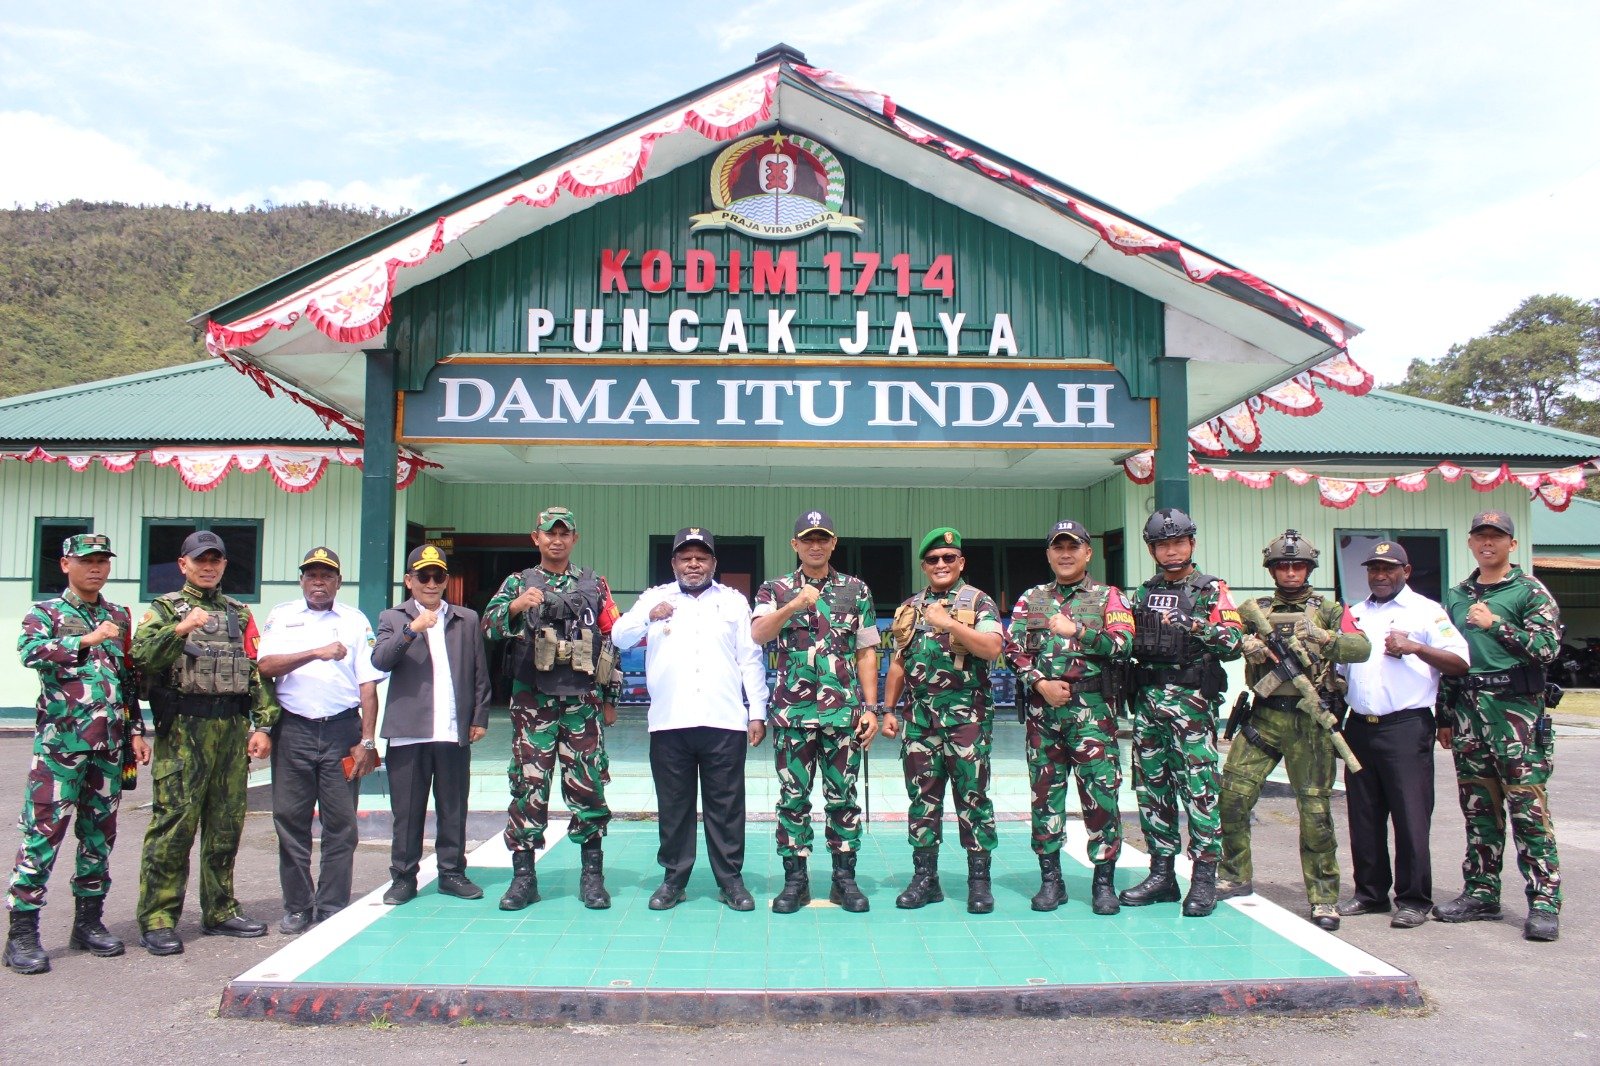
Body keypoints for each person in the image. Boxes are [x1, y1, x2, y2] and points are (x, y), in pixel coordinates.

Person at [4, 534, 150, 975]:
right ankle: (22, 933)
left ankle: (88, 923)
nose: (96, 568)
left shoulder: (118, 615)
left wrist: (136, 732)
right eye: (87, 561)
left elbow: (127, 678)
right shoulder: (45, 613)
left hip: (108, 747)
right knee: (42, 835)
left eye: (103, 560)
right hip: (60, 749)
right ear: (66, 564)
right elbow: (30, 652)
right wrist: (86, 639)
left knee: (99, 836)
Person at [133, 530, 280, 955]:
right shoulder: (164, 610)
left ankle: (220, 909)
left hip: (230, 733)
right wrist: (180, 629)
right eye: (201, 560)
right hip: (184, 732)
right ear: (184, 564)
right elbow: (141, 658)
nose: (208, 566)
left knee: (225, 825)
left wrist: (263, 725)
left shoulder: (239, 613)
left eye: (216, 560)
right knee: (174, 826)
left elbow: (255, 671)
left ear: (224, 565)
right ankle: (158, 918)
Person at [1218, 529, 1371, 931]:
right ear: (1271, 569)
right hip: (1264, 717)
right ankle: (1234, 874)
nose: (1290, 572)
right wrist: (1244, 644)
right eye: (1282, 565)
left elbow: (1362, 648)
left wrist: (1325, 638)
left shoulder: (1330, 609)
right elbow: (1222, 638)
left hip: (1310, 721)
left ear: (1309, 568)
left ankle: (1323, 897)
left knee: (1316, 814)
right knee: (1232, 798)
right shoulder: (1257, 609)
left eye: (1297, 565)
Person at [611, 527, 769, 911]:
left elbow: (749, 658)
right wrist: (647, 617)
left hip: (724, 720)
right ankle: (674, 879)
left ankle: (730, 881)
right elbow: (619, 636)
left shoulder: (733, 601)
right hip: (670, 722)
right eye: (686, 557)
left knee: (726, 806)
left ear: (713, 563)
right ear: (674, 563)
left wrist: (757, 712)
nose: (693, 564)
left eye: (701, 557)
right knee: (674, 806)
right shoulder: (655, 597)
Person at [483, 506, 621, 911]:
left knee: (588, 787)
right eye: (549, 533)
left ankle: (592, 878)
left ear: (574, 538)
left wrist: (610, 699)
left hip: (583, 705)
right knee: (529, 787)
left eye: (564, 533)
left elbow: (612, 640)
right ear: (536, 537)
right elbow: (488, 626)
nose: (556, 540)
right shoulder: (518, 582)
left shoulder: (594, 584)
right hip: (533, 705)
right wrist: (515, 606)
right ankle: (524, 878)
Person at [1436, 510, 1563, 942]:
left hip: (1516, 716)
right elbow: (1452, 658)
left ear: (1511, 544)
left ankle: (1544, 902)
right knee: (1479, 810)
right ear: (1471, 542)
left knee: (1528, 810)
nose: (1487, 543)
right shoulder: (1458, 595)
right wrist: (1445, 715)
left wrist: (1498, 625)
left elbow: (1547, 649)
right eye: (1480, 536)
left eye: (1496, 537)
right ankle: (1481, 893)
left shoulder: (1529, 591)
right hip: (1469, 714)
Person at [1003, 519, 1134, 916]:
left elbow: (1123, 643)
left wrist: (1078, 630)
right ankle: (1051, 880)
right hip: (1044, 714)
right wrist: (1039, 682)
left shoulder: (1109, 596)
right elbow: (1012, 648)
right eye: (1058, 547)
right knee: (1045, 796)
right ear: (1048, 554)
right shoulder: (1032, 598)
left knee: (1101, 796)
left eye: (1073, 547)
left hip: (1092, 713)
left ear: (1087, 553)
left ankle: (1104, 882)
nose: (1065, 554)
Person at [752, 509, 880, 914]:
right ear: (795, 544)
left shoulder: (856, 590)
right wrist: (793, 605)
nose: (815, 545)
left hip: (842, 715)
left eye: (823, 538)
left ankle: (845, 880)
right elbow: (758, 633)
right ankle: (796, 881)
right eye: (808, 539)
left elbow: (867, 651)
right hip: (794, 716)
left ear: (833, 543)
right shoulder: (774, 589)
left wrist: (871, 708)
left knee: (843, 798)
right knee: (793, 799)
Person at [1336, 541, 1468, 929]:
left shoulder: (1426, 611)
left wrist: (1415, 647)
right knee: (1364, 816)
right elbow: (1341, 672)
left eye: (1388, 569)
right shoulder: (1354, 614)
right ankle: (1370, 893)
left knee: (1410, 816)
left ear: (1405, 572)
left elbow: (1460, 662)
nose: (1380, 575)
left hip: (1405, 728)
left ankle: (1413, 899)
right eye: (1373, 569)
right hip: (1359, 727)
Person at [1119, 508, 1243, 918]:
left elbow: (1234, 642)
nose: (1171, 551)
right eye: (1162, 545)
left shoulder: (1211, 590)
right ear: (1152, 550)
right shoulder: (1143, 592)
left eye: (1178, 543)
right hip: (1149, 704)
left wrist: (1194, 625)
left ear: (1192, 544)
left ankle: (1204, 878)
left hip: (1191, 705)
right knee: (1152, 789)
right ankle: (1162, 875)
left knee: (1199, 790)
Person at [255, 548, 385, 933]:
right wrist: (315, 652)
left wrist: (367, 741)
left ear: (338, 582)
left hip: (342, 731)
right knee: (290, 820)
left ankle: (331, 905)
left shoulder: (354, 620)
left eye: (326, 576)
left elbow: (368, 686)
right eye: (311, 575)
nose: (318, 583)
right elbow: (266, 665)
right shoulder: (282, 616)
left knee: (341, 824)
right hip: (293, 730)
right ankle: (297, 905)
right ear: (301, 581)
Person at [880, 527, 1005, 914]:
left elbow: (992, 648)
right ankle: (925, 879)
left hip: (966, 719)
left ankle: (979, 882)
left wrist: (949, 623)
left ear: (961, 562)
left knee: (973, 799)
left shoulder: (978, 601)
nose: (941, 564)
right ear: (924, 566)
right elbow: (898, 663)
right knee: (922, 800)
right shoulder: (909, 607)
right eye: (933, 559)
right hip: (920, 720)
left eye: (949, 558)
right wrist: (888, 710)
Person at [371, 544, 491, 907]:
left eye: (438, 576)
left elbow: (479, 671)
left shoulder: (466, 619)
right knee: (407, 811)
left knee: (453, 807)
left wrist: (479, 716)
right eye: (423, 576)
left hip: (452, 731)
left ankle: (451, 873)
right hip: (409, 732)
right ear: (409, 581)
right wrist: (412, 629)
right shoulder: (393, 617)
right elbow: (380, 660)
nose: (431, 583)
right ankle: (404, 877)